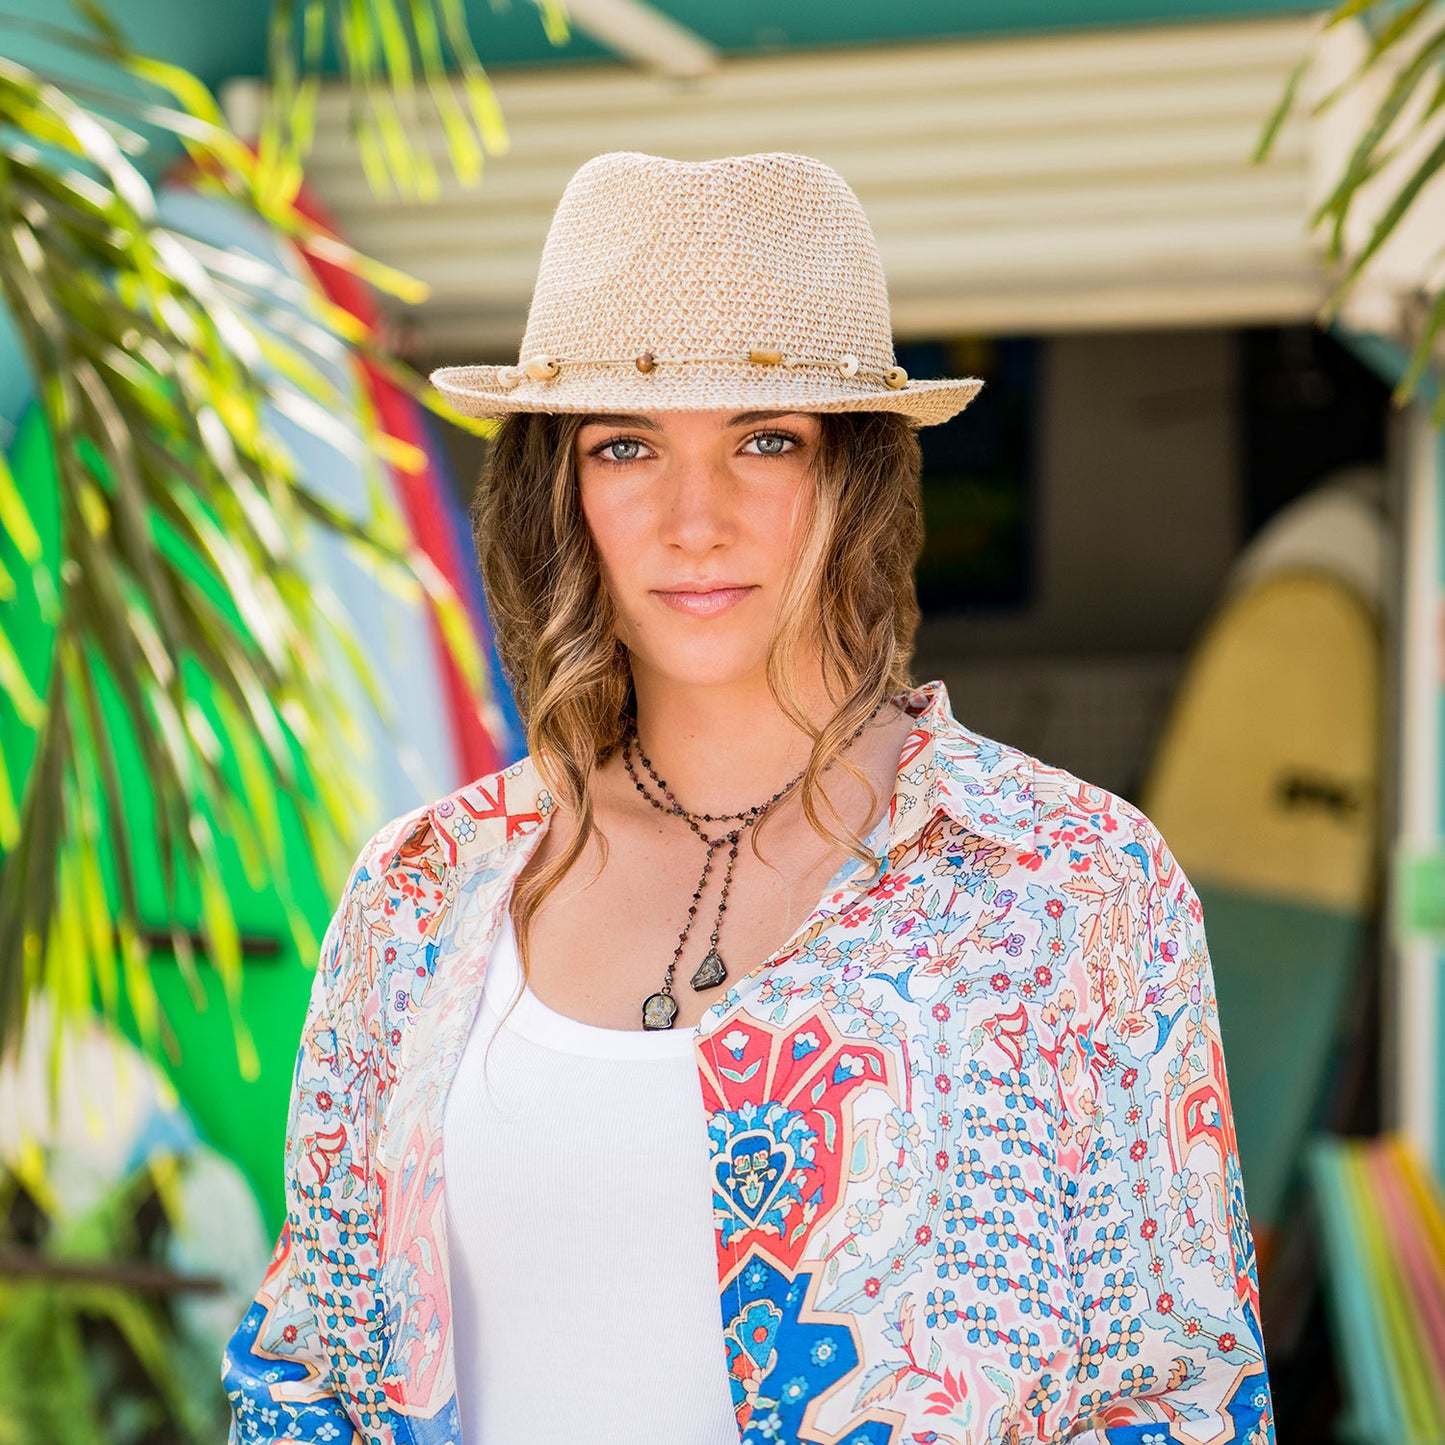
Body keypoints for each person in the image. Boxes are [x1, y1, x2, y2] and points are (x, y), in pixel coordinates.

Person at [223, 151, 1275, 1445]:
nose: (693, 517)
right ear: (564, 490)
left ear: (855, 475)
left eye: (763, 440)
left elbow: (1181, 1400)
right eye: (626, 445)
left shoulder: (1070, 885)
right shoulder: (422, 890)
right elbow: (307, 1369)